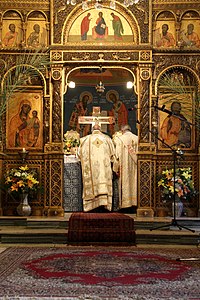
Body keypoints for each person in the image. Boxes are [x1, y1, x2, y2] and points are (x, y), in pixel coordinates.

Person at [78, 123, 116, 212]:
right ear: (100, 129)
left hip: (92, 172)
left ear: (92, 129)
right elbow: (113, 155)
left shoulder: (85, 140)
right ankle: (105, 205)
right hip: (104, 170)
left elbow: (79, 155)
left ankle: (91, 206)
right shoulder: (107, 139)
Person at [113, 124, 138, 209]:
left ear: (122, 131)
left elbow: (117, 155)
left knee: (126, 182)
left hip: (124, 165)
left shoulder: (120, 139)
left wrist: (115, 168)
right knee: (134, 182)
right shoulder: (137, 138)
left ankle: (126, 205)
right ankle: (135, 203)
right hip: (135, 166)